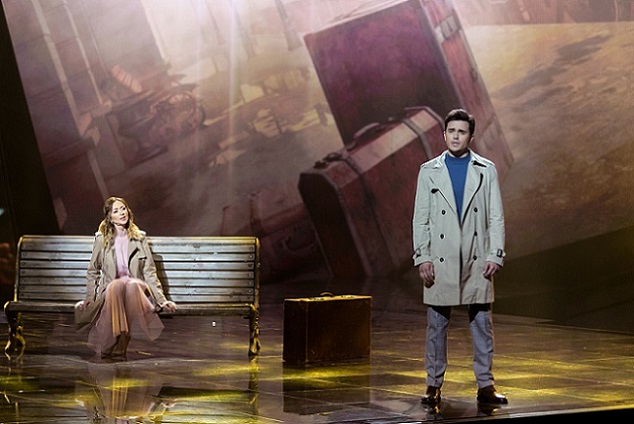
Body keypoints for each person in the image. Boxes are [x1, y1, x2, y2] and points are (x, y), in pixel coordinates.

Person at [412, 108, 508, 406]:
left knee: (481, 324)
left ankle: (486, 385)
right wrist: (422, 257)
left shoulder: (486, 169)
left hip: (477, 258)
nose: (456, 136)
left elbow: (495, 216)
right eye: (451, 131)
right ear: (444, 135)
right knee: (436, 326)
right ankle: (433, 384)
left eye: (461, 132)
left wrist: (495, 254)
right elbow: (421, 219)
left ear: (471, 136)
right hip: (440, 259)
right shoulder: (429, 170)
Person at [76, 196, 177, 359]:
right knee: (116, 287)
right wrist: (90, 297)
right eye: (116, 211)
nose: (122, 213)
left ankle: (107, 345)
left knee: (128, 285)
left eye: (123, 209)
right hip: (110, 292)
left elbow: (149, 272)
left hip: (135, 292)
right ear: (110, 218)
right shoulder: (101, 239)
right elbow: (93, 270)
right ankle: (118, 347)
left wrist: (161, 300)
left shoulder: (140, 238)